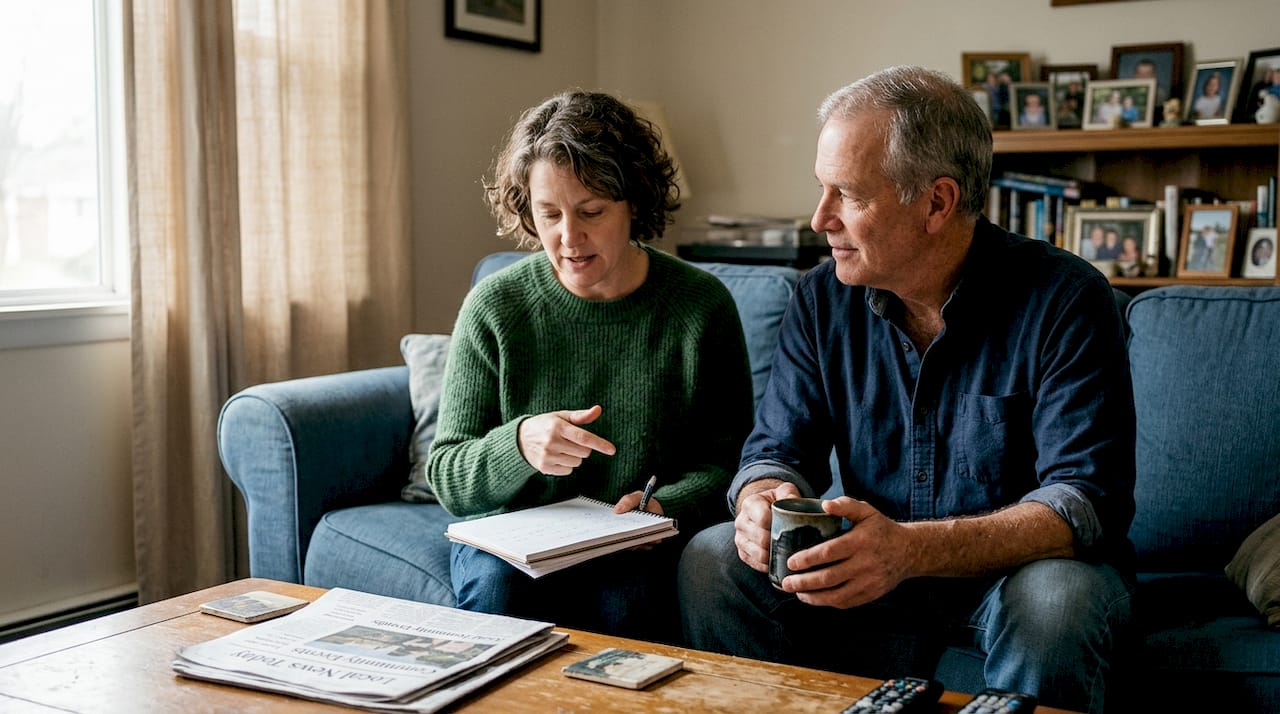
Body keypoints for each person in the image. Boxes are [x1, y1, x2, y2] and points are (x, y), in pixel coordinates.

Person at [678, 66, 1136, 714]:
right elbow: (776, 448)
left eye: (849, 195)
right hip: (871, 573)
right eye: (821, 190)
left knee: (1058, 597)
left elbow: (1083, 502)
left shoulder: (1065, 299)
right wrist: (761, 501)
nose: (820, 218)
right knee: (714, 555)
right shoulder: (820, 300)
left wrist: (911, 550)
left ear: (937, 203)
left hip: (1011, 579)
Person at [427, 90, 755, 642]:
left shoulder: (699, 307)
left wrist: (661, 507)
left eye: (591, 212)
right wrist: (520, 444)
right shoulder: (496, 306)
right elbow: (447, 475)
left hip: (632, 542)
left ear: (634, 203)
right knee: (496, 593)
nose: (568, 237)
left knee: (625, 605)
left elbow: (729, 463)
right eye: (548, 213)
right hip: (512, 545)